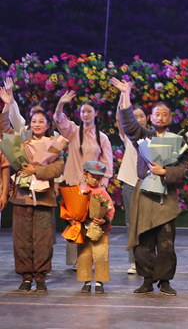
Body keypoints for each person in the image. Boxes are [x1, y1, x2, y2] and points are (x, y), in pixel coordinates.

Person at [112, 77, 188, 296]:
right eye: (157, 114)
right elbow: (129, 124)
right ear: (150, 117)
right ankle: (147, 279)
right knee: (143, 239)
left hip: (166, 196)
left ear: (170, 117)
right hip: (145, 194)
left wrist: (165, 172)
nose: (160, 117)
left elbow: (183, 168)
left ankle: (165, 281)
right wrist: (125, 95)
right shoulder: (143, 136)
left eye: (165, 114)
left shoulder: (178, 140)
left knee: (166, 242)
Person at [0, 90, 65, 292]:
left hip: (44, 199)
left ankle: (41, 277)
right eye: (34, 121)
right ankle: (26, 277)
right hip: (21, 197)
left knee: (43, 240)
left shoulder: (54, 145)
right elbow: (3, 128)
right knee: (21, 239)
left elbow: (58, 168)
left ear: (47, 125)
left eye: (41, 121)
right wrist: (6, 105)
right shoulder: (21, 140)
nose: (37, 124)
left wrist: (36, 170)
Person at [54, 91, 114, 269]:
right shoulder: (73, 131)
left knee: (92, 223)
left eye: (89, 111)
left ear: (96, 113)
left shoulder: (102, 138)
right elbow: (59, 120)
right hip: (74, 183)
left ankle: (91, 259)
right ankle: (76, 260)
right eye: (82, 111)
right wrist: (61, 104)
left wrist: (101, 187)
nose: (85, 114)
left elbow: (107, 165)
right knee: (74, 222)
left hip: (93, 186)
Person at [115, 94, 146, 275]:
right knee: (131, 222)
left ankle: (148, 259)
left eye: (141, 116)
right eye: (135, 116)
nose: (138, 119)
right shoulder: (128, 135)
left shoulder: (152, 136)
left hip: (148, 183)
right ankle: (134, 261)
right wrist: (123, 96)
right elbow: (120, 118)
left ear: (147, 118)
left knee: (148, 222)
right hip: (130, 182)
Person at [75, 161, 115, 294]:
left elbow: (110, 209)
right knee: (84, 255)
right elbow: (74, 208)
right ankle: (86, 281)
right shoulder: (81, 191)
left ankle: (99, 282)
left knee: (101, 255)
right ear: (85, 174)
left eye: (98, 178)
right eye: (93, 177)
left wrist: (104, 220)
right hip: (84, 229)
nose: (95, 180)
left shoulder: (103, 192)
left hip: (100, 230)